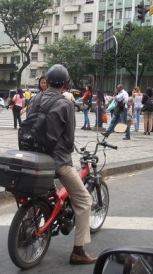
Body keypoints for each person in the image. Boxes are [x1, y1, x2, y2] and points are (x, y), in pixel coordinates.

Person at [26, 64, 96, 265]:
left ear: (46, 81)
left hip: (33, 157)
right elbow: (69, 137)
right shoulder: (65, 103)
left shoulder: (35, 98)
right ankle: (79, 251)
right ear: (65, 83)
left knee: (42, 193)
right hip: (56, 161)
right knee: (84, 201)